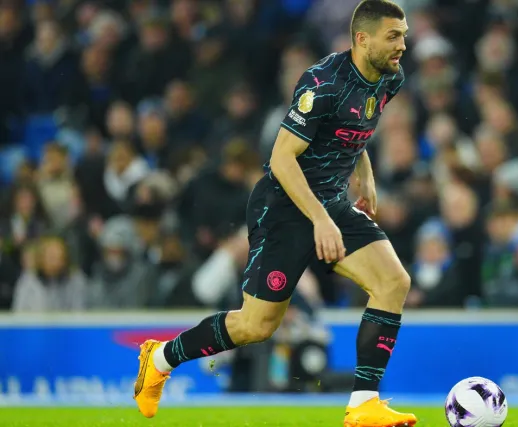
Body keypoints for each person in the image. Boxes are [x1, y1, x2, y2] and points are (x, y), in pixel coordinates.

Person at [132, 1, 416, 426]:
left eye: (404, 35)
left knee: (393, 282)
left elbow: (353, 127)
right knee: (257, 326)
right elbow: (282, 158)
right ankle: (159, 359)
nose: (402, 45)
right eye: (393, 36)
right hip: (283, 207)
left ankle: (363, 404)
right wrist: (320, 219)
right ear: (363, 38)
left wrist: (365, 173)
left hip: (332, 202)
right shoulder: (323, 83)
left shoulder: (390, 77)